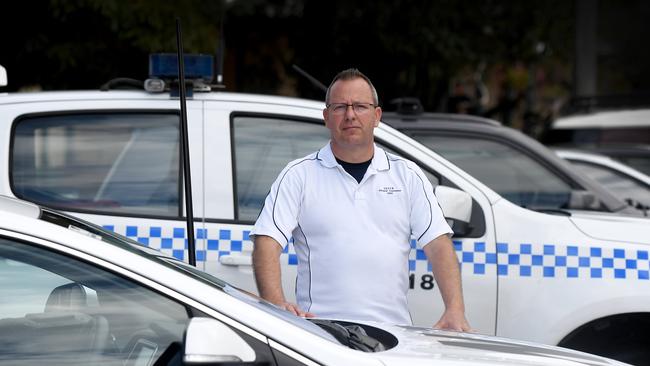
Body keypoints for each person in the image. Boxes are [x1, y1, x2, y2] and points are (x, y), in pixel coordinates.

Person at [250, 68, 470, 330]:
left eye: (360, 106)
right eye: (340, 107)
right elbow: (267, 241)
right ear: (326, 117)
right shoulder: (299, 175)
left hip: (393, 337)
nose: (350, 115)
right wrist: (276, 305)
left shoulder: (407, 175)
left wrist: (455, 310)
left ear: (377, 116)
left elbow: (438, 244)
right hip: (319, 334)